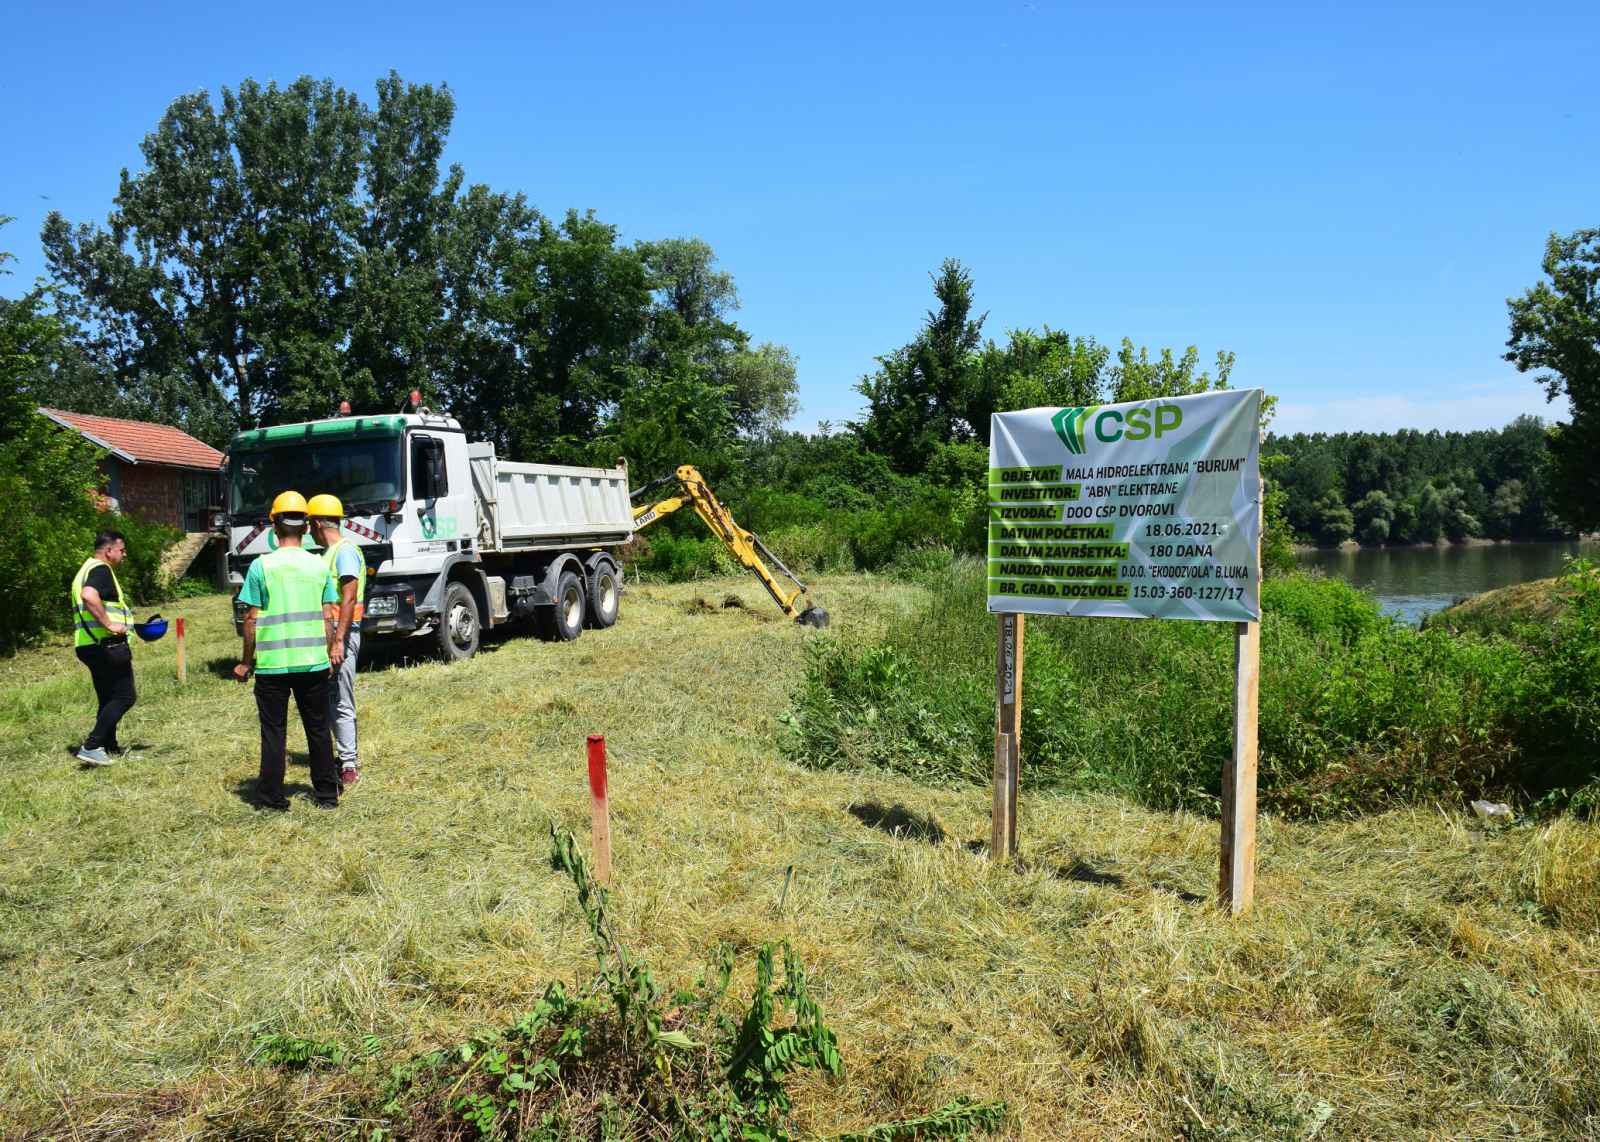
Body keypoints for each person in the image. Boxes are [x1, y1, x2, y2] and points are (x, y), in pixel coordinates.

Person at [233, 491, 342, 811]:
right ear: (306, 527)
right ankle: (326, 796)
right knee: (319, 730)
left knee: (273, 733)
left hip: (272, 666)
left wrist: (244, 662)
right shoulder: (318, 566)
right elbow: (327, 617)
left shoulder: (260, 566)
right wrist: (329, 651)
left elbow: (250, 620)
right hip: (312, 664)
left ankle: (271, 799)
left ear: (273, 526)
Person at [308, 493, 364, 789]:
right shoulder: (328, 554)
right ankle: (341, 755)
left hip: (343, 634)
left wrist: (338, 640)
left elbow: (349, 596)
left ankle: (349, 763)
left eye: (309, 524)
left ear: (317, 523)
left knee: (341, 697)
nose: (307, 531)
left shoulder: (344, 552)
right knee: (330, 696)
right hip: (331, 635)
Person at [71, 530, 137, 766]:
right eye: (121, 549)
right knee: (125, 696)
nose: (124, 554)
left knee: (108, 697)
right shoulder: (101, 569)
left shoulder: (84, 569)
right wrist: (109, 624)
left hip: (87, 643)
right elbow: (89, 596)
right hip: (104, 645)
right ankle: (91, 745)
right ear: (109, 551)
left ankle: (108, 746)